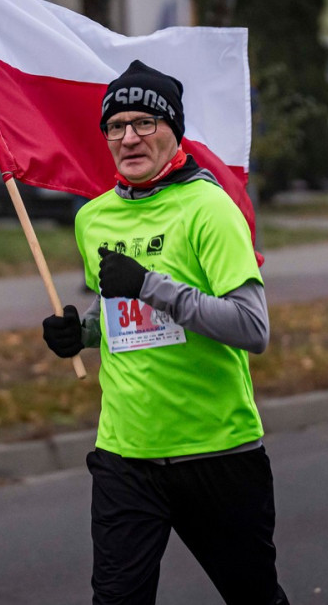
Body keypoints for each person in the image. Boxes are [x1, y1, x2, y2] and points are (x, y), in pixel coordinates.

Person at [41, 60, 288, 605]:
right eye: (116, 125)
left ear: (173, 129)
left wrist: (150, 284)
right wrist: (80, 333)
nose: (129, 137)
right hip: (126, 456)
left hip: (216, 452)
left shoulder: (207, 208)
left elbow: (252, 327)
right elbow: (123, 317)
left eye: (145, 123)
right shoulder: (94, 218)